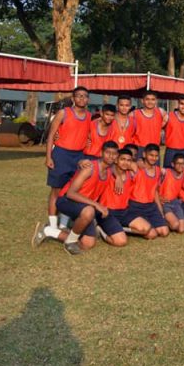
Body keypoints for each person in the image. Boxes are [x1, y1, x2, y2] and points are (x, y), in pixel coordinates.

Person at [34, 141, 118, 255]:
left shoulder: (109, 171)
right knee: (89, 211)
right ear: (101, 153)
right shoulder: (90, 168)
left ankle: (49, 231)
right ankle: (70, 242)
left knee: (87, 244)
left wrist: (118, 178)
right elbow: (71, 193)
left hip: (83, 205)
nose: (111, 156)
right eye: (108, 153)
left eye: (114, 154)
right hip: (66, 200)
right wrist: (96, 204)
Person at [45, 86, 93, 233]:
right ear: (73, 98)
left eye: (85, 96)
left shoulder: (89, 116)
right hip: (61, 154)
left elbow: (88, 135)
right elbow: (51, 135)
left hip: (78, 156)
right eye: (78, 96)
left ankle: (63, 224)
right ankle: (53, 224)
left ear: (88, 99)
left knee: (71, 191)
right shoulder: (63, 113)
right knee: (56, 190)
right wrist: (48, 157)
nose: (82, 99)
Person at [96, 147, 152, 245]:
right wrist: (117, 176)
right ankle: (100, 229)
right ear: (116, 160)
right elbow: (103, 164)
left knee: (147, 230)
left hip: (124, 212)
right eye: (122, 159)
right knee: (121, 241)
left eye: (128, 160)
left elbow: (138, 166)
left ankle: (119, 228)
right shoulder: (108, 172)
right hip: (108, 212)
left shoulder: (130, 174)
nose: (125, 163)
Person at [128, 143, 169, 237]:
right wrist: (138, 161)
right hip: (135, 205)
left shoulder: (158, 170)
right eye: (151, 155)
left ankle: (146, 224)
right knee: (152, 235)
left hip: (150, 206)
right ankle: (125, 228)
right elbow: (118, 162)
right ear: (144, 155)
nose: (153, 158)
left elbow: (155, 192)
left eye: (156, 156)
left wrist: (160, 211)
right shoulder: (136, 167)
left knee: (164, 232)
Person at [159, 153, 184, 233]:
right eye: (178, 163)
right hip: (165, 203)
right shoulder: (165, 172)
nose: (180, 166)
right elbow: (153, 171)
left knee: (182, 229)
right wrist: (158, 197)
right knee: (175, 225)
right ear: (172, 164)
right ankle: (161, 221)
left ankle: (171, 219)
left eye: (183, 164)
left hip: (175, 202)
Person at [132, 91, 167, 160]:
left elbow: (167, 121)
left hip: (155, 148)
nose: (150, 102)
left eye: (153, 99)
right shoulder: (134, 114)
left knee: (154, 170)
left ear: (156, 101)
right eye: (147, 99)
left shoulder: (161, 112)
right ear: (142, 100)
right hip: (139, 148)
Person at [163, 97, 184, 167]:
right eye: (182, 104)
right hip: (171, 150)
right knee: (168, 174)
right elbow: (157, 129)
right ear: (178, 104)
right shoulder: (168, 116)